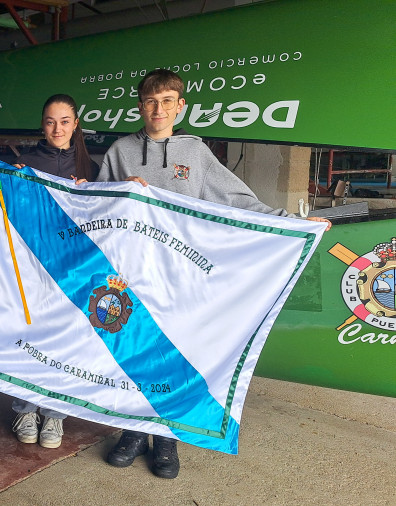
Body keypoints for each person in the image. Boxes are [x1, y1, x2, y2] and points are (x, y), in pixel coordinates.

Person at [96, 69, 330, 480]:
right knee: (132, 351)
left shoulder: (196, 153)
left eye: (167, 101)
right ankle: (132, 431)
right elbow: (96, 205)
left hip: (182, 273)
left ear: (180, 106)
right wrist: (119, 191)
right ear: (139, 106)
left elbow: (235, 198)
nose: (159, 109)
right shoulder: (120, 151)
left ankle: (166, 438)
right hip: (130, 273)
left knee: (172, 352)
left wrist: (291, 222)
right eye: (151, 102)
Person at [9, 94, 99, 450]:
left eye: (64, 121)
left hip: (72, 270)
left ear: (75, 124)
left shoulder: (90, 167)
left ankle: (56, 414)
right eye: (50, 121)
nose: (57, 128)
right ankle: (25, 409)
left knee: (66, 340)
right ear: (42, 125)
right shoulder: (24, 164)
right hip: (31, 266)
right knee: (29, 337)